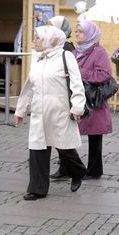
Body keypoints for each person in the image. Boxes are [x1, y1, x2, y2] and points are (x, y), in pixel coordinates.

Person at [14, 25, 87, 200]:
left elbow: (77, 84)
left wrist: (77, 107)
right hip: (39, 112)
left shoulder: (65, 56)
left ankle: (78, 171)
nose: (34, 41)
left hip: (60, 111)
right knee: (37, 149)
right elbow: (29, 87)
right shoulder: (38, 59)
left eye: (38, 38)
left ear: (49, 39)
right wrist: (21, 110)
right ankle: (37, 189)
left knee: (65, 148)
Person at [75, 20, 112, 179]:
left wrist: (82, 73)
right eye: (76, 31)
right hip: (77, 98)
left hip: (93, 100)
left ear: (90, 34)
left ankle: (94, 170)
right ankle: (68, 167)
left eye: (80, 31)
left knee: (95, 136)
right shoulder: (77, 51)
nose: (76, 34)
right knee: (67, 133)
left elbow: (105, 74)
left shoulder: (99, 52)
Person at [48, 16, 77, 179]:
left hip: (63, 97)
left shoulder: (65, 47)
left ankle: (70, 168)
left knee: (62, 136)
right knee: (61, 136)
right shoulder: (59, 45)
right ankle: (67, 167)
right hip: (57, 96)